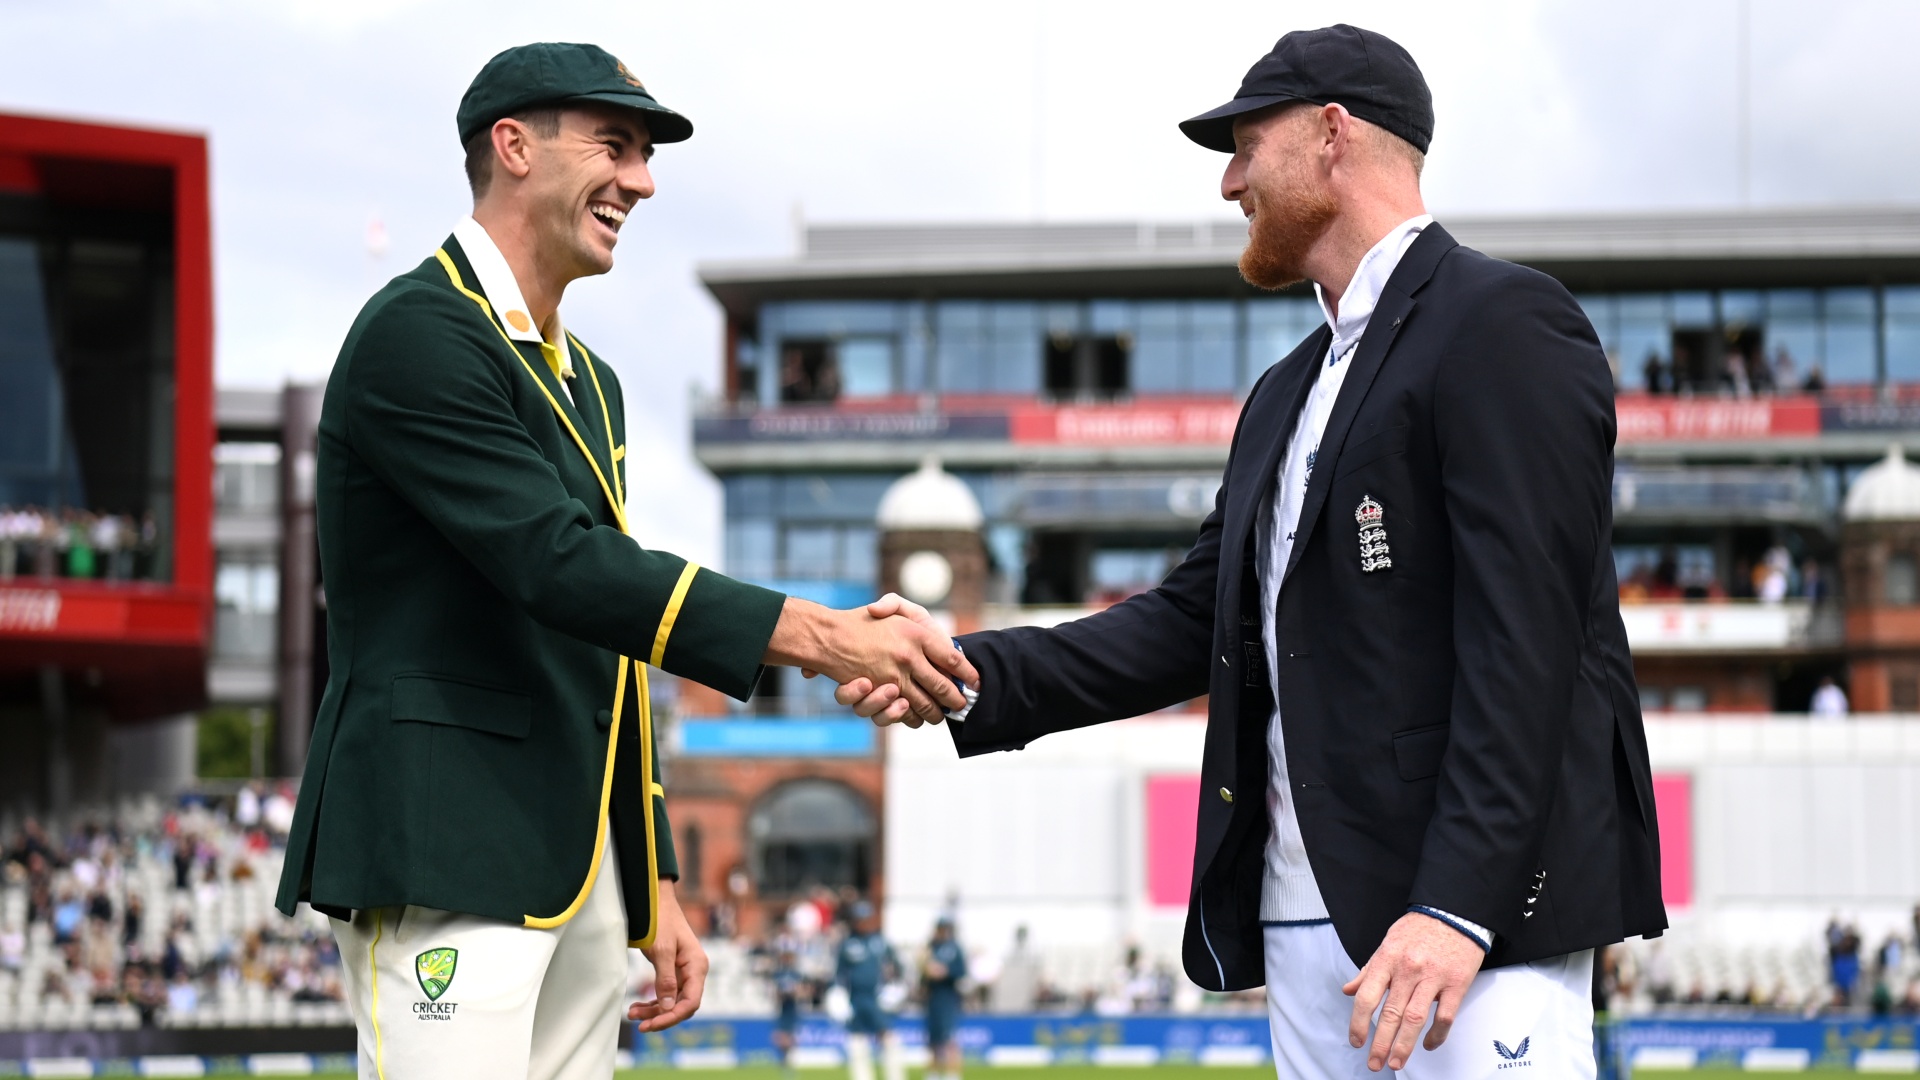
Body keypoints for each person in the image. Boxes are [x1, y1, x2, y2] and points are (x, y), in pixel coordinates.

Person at [837, 24, 1664, 1080]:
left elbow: (1528, 643)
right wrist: (964, 670)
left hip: (1459, 925)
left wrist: (1460, 904)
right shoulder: (1283, 391)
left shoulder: (1501, 322)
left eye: (1244, 147)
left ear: (1331, 134)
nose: (1230, 182)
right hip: (1302, 917)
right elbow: (1195, 621)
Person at [269, 42, 973, 1080]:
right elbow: (560, 566)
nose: (641, 181)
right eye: (615, 145)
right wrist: (823, 636)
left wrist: (654, 885)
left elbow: (608, 644)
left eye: (645, 155)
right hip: (443, 845)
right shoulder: (416, 334)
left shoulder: (590, 380)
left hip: (580, 869)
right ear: (514, 147)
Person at [835, 902, 904, 1080]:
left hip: (877, 999)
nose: (862, 923)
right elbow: (838, 975)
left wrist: (894, 989)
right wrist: (838, 996)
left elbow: (898, 968)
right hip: (856, 1000)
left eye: (865, 919)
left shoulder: (880, 942)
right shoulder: (847, 944)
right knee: (857, 1043)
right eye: (859, 919)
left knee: (888, 1040)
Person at [922, 917, 968, 1080]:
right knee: (933, 1038)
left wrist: (944, 971)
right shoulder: (930, 947)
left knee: (949, 1037)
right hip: (932, 997)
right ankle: (933, 1073)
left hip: (948, 997)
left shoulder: (954, 948)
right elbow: (923, 973)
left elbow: (961, 971)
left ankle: (952, 1073)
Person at [771, 948, 806, 1080]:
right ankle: (784, 1060)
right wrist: (782, 994)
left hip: (792, 1009)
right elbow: (775, 993)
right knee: (782, 1037)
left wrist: (794, 993)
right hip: (783, 1009)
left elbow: (801, 991)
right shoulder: (778, 974)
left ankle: (789, 1060)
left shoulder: (796, 974)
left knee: (791, 1037)